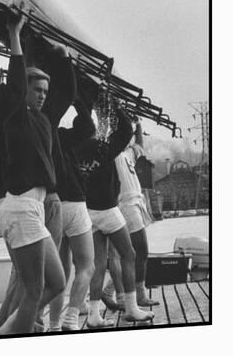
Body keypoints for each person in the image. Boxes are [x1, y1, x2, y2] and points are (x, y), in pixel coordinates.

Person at [0, 33, 72, 333]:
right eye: (36, 89)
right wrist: (12, 38)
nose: (43, 95)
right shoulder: (13, 116)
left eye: (45, 90)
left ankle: (2, 333)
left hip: (34, 210)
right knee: (33, 289)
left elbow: (66, 94)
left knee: (56, 283)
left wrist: (64, 59)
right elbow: (9, 86)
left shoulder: (43, 120)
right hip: (20, 208)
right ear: (24, 91)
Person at [76, 103, 155, 328]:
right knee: (129, 254)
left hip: (88, 211)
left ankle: (93, 314)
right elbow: (124, 131)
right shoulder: (104, 148)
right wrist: (115, 105)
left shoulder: (76, 150)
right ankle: (131, 307)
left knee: (98, 264)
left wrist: (83, 105)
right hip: (108, 209)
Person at [46, 76, 98, 331]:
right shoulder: (63, 138)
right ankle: (71, 319)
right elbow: (88, 128)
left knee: (61, 273)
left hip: (51, 205)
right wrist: (78, 100)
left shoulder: (40, 130)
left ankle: (54, 325)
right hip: (74, 203)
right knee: (87, 266)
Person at [101, 117, 160, 310]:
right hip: (126, 205)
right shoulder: (113, 152)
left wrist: (139, 125)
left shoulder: (128, 153)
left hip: (136, 202)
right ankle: (138, 295)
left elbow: (140, 145)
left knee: (129, 254)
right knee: (138, 250)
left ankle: (112, 290)